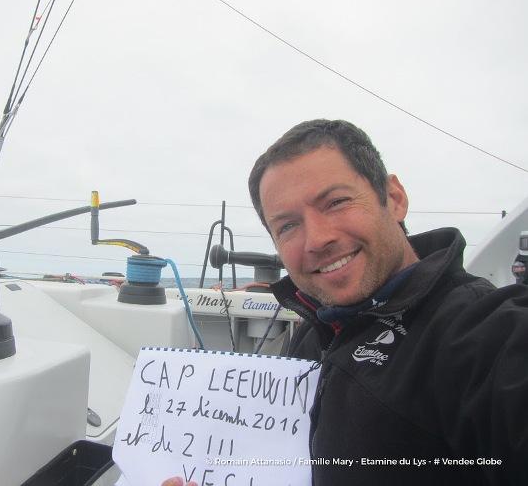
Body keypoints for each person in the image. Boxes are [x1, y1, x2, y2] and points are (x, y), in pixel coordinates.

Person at [163, 119, 528, 485]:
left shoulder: (483, 336)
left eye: (336, 202)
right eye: (287, 226)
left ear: (395, 198)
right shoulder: (317, 330)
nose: (317, 240)